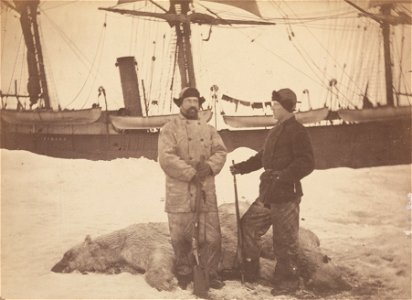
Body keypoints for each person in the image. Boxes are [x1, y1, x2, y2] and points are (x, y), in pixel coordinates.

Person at [230, 88, 314, 296]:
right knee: (248, 224)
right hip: (268, 193)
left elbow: (307, 162)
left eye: (275, 105)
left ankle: (289, 281)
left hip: (286, 194)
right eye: (272, 105)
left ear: (286, 107)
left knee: (285, 240)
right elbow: (263, 157)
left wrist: (283, 176)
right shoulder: (277, 129)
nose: (272, 109)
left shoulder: (297, 130)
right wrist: (241, 167)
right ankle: (250, 269)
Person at [158, 87, 227, 293]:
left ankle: (210, 273)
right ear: (180, 104)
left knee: (211, 237)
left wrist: (210, 166)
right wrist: (190, 172)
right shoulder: (169, 129)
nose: (192, 105)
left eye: (195, 101)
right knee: (181, 237)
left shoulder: (209, 129)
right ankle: (185, 273)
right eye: (187, 101)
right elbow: (166, 158)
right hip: (179, 193)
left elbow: (221, 151)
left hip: (205, 192)